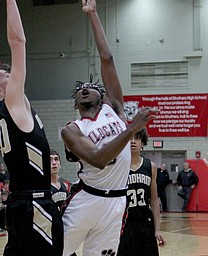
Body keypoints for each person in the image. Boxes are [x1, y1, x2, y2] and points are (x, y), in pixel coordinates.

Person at [60, 1, 158, 255]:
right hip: (86, 199)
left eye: (89, 86)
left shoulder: (113, 107)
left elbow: (107, 58)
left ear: (101, 94)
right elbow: (98, 159)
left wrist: (93, 14)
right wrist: (132, 127)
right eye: (79, 89)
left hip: (116, 202)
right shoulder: (71, 129)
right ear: (76, 103)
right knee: (52, 250)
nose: (84, 88)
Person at [0, 1, 63, 255]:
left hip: (17, 206)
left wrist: (0, 140)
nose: (10, 73)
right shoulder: (12, 101)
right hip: (35, 204)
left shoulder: (0, 117)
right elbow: (18, 42)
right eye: (4, 73)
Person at [117, 128, 166, 256]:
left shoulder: (151, 166)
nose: (133, 142)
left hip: (145, 222)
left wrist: (157, 230)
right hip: (124, 224)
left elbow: (154, 200)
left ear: (143, 143)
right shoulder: (117, 167)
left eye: (137, 138)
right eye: (129, 138)